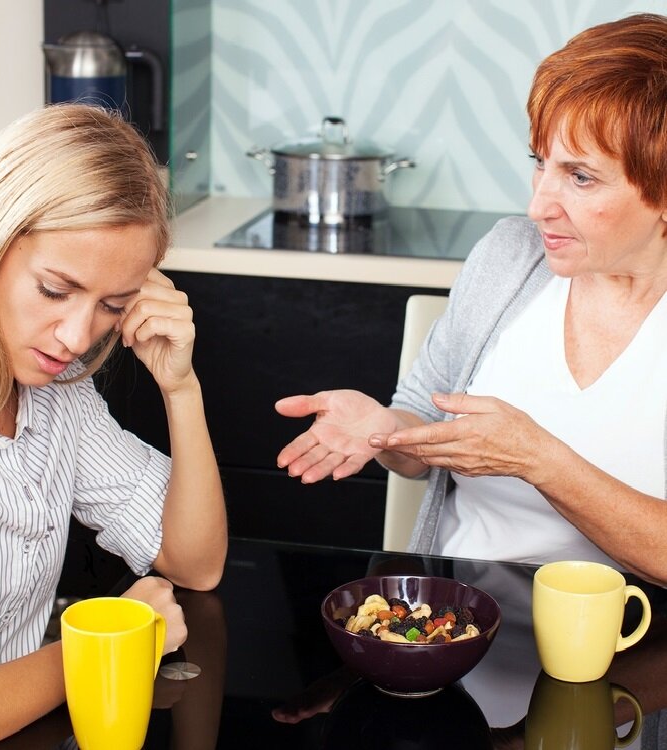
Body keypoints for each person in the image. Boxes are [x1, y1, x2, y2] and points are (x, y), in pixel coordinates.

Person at [276, 13, 667, 586]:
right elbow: (421, 432)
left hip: (637, 650)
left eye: (580, 177)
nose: (539, 205)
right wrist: (385, 428)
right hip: (456, 632)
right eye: (541, 162)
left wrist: (540, 460)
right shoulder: (508, 256)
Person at [0, 103, 227, 749]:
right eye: (56, 290)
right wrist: (112, 647)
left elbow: (194, 564)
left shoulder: (57, 392)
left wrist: (181, 388)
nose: (78, 336)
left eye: (113, 305)